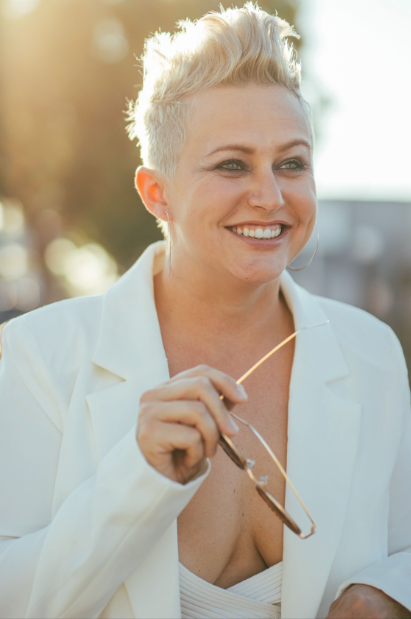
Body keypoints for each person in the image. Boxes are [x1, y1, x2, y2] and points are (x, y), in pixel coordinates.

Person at [0, 4, 410, 618]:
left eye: (291, 163)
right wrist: (135, 480)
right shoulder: (37, 355)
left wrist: (389, 589)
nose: (270, 197)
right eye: (232, 164)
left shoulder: (373, 352)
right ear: (156, 193)